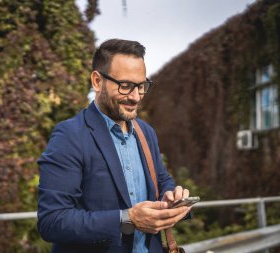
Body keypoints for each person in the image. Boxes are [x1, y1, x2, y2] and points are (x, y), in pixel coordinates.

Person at [37, 39, 191, 253]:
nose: (136, 96)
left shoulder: (146, 132)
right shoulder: (69, 136)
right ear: (97, 81)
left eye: (141, 86)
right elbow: (52, 221)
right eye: (125, 85)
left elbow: (161, 180)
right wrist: (128, 219)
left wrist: (171, 197)